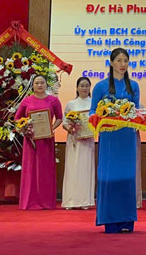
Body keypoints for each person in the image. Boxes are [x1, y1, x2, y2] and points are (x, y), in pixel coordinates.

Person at [90, 48, 141, 233]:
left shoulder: (133, 86)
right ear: (111, 62)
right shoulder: (100, 86)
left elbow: (136, 111)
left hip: (127, 137)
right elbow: (92, 112)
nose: (122, 64)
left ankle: (127, 221)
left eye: (125, 61)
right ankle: (110, 221)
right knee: (109, 177)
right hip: (109, 138)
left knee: (127, 177)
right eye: (119, 60)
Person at [14, 74, 63, 210]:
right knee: (30, 170)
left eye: (42, 83)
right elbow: (17, 118)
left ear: (46, 85)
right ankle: (29, 201)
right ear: (33, 85)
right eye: (37, 83)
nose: (40, 85)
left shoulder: (54, 101)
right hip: (31, 140)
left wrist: (51, 128)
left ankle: (46, 201)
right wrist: (25, 128)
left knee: (45, 171)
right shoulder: (27, 101)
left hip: (46, 139)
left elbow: (59, 118)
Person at [62, 76, 95, 209]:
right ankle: (70, 201)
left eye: (87, 85)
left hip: (87, 141)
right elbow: (64, 121)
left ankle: (85, 201)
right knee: (72, 169)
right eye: (81, 85)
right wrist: (69, 128)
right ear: (76, 88)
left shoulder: (94, 103)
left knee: (85, 169)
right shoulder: (71, 104)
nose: (84, 88)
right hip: (74, 140)